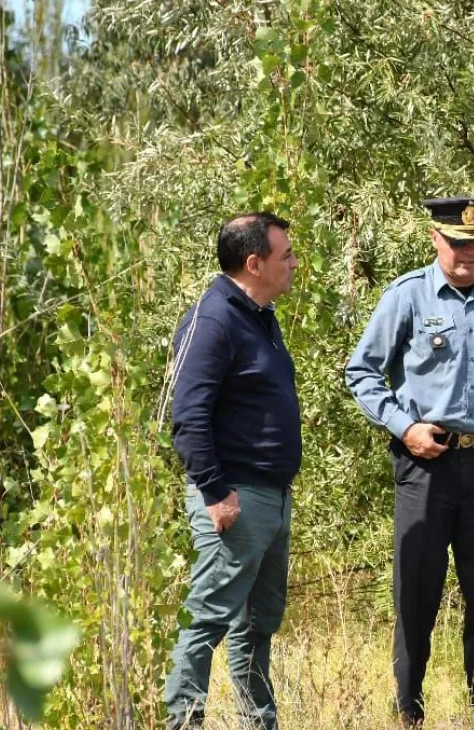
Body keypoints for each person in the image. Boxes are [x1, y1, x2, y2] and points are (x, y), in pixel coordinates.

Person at [345, 197, 474, 727]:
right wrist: (404, 427)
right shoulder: (407, 295)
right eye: (458, 242)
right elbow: (362, 372)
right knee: (417, 592)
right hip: (426, 464)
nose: (469, 253)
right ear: (436, 239)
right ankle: (409, 711)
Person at [164, 212, 302, 730]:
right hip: (235, 499)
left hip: (271, 497)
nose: (294, 263)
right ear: (254, 263)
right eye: (286, 255)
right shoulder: (213, 319)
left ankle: (258, 723)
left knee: (257, 625)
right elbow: (189, 416)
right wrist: (215, 492)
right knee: (206, 620)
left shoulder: (260, 316)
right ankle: (183, 723)